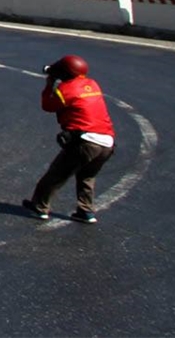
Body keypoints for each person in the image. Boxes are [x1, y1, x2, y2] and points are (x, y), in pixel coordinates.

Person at [23, 55, 115, 224]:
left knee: (56, 175)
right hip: (107, 142)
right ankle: (86, 211)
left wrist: (49, 84)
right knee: (87, 177)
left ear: (64, 73)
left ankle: (39, 207)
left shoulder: (66, 89)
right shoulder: (93, 84)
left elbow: (47, 106)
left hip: (85, 141)